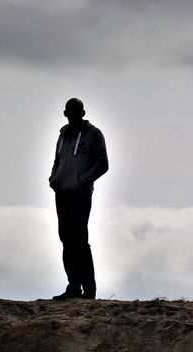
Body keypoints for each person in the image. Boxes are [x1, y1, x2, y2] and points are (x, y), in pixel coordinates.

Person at [48, 98, 108, 300]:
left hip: (80, 195)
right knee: (66, 239)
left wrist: (82, 181)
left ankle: (89, 290)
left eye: (77, 111)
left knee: (80, 241)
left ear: (83, 113)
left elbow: (102, 163)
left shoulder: (94, 134)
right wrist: (54, 178)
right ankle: (73, 286)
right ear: (65, 114)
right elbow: (58, 160)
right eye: (70, 112)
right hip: (62, 193)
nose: (73, 115)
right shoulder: (62, 136)